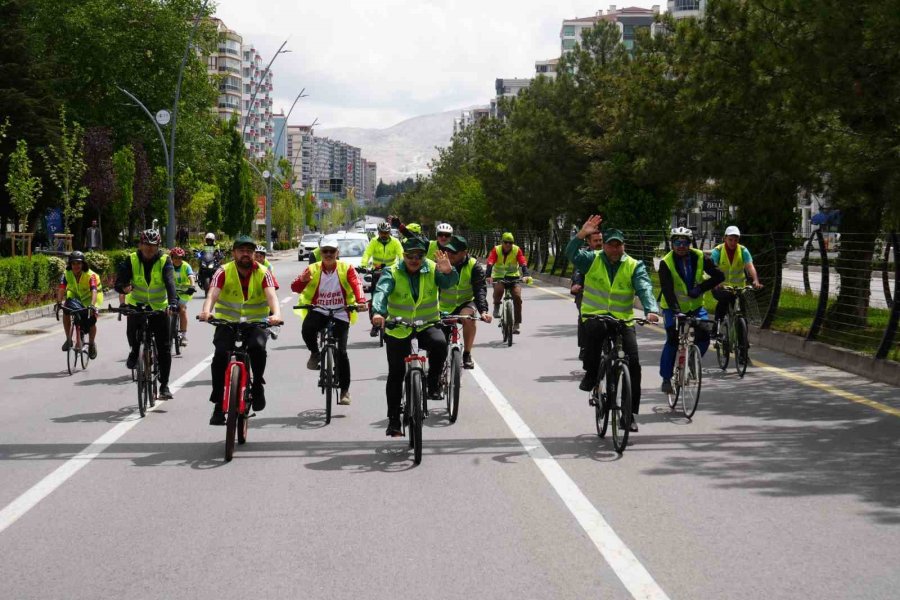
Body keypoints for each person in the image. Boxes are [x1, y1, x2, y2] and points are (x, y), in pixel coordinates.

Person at [567, 218, 659, 432]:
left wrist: (651, 310)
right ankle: (591, 374)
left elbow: (644, 288)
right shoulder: (592, 259)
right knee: (595, 336)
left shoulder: (634, 265)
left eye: (618, 245)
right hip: (595, 316)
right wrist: (581, 234)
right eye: (610, 244)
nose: (615, 249)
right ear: (604, 245)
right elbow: (571, 254)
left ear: (623, 245)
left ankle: (630, 413)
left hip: (622, 320)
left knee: (634, 364)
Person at [371, 237, 459, 437]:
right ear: (404, 256)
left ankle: (433, 382)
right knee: (396, 374)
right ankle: (394, 420)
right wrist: (377, 312)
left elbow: (449, 283)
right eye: (410, 255)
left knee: (439, 343)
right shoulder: (392, 271)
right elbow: (381, 291)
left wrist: (448, 271)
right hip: (399, 327)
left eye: (419, 256)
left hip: (426, 324)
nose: (414, 259)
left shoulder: (432, 267)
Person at [198, 235, 283, 425]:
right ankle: (219, 404)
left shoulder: (263, 272)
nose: (246, 254)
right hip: (227, 322)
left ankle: (258, 384)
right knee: (220, 355)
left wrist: (276, 314)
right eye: (242, 250)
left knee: (257, 348)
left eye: (250, 251)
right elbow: (212, 294)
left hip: (255, 322)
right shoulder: (223, 271)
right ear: (234, 253)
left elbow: (272, 296)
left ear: (254, 254)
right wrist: (206, 311)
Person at [291, 238, 367, 405]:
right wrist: (302, 281)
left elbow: (357, 284)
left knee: (342, 352)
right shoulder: (312, 268)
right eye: (325, 251)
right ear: (320, 252)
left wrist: (361, 301)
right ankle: (315, 353)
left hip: (341, 312)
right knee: (307, 329)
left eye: (331, 251)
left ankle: (345, 391)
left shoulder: (347, 268)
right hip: (319, 310)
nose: (328, 254)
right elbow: (295, 288)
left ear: (337, 253)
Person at [658, 227, 725, 394]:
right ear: (672, 244)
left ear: (690, 243)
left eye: (685, 242)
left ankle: (692, 362)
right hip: (672, 308)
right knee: (673, 340)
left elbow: (719, 276)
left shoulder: (700, 256)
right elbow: (667, 290)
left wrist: (701, 288)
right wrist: (676, 312)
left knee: (704, 337)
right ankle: (666, 378)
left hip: (695, 307)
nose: (681, 246)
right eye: (677, 242)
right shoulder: (666, 262)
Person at [115, 228, 179, 400]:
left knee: (164, 348)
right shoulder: (131, 259)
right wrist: (123, 287)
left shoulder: (165, 260)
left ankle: (164, 385)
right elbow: (119, 281)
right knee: (132, 332)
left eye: (153, 245)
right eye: (146, 245)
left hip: (159, 306)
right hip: (138, 304)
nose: (150, 249)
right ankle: (134, 351)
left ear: (158, 246)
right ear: (140, 245)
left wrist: (173, 303)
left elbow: (170, 282)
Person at [439, 235, 491, 369]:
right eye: (448, 250)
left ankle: (467, 354)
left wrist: (483, 311)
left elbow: (480, 289)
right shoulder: (440, 262)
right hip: (442, 305)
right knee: (437, 344)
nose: (449, 254)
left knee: (469, 318)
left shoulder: (474, 266)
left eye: (454, 252)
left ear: (464, 253)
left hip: (465, 303)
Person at [710, 225, 763, 327]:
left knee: (743, 312)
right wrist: (716, 282)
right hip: (721, 287)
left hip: (739, 287)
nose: (733, 243)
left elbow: (750, 266)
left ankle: (743, 338)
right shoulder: (718, 250)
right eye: (730, 240)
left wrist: (756, 280)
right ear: (725, 238)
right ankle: (716, 328)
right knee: (724, 301)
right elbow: (712, 268)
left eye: (736, 240)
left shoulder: (743, 250)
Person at [57, 251, 103, 359]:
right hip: (75, 298)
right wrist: (59, 302)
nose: (76, 266)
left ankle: (91, 344)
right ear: (70, 265)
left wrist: (92, 305)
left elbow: (94, 291)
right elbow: (62, 288)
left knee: (91, 322)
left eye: (79, 263)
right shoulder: (66, 274)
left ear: (83, 264)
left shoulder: (90, 275)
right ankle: (69, 339)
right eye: (73, 264)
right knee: (66, 309)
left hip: (91, 299)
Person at [361, 221, 404, 336]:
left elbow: (401, 255)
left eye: (386, 233)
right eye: (382, 233)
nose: (384, 235)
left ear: (389, 232)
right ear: (378, 233)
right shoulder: (374, 241)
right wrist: (364, 265)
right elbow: (367, 253)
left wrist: (402, 265)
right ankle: (375, 324)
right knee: (375, 296)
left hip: (391, 271)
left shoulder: (395, 242)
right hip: (377, 271)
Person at [485, 232, 530, 334]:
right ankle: (497, 305)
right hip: (499, 276)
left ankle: (517, 323)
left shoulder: (516, 249)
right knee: (499, 289)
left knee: (517, 296)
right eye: (506, 242)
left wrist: (526, 274)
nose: (508, 245)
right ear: (502, 242)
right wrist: (488, 275)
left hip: (513, 277)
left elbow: (522, 261)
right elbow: (490, 262)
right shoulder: (496, 249)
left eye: (510, 243)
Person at [570, 229, 604, 360]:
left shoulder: (607, 255)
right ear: (589, 242)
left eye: (600, 240)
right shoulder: (584, 256)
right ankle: (584, 346)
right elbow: (578, 271)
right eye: (595, 241)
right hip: (585, 292)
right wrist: (577, 284)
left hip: (604, 294)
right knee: (584, 317)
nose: (599, 243)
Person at [169, 247, 196, 345]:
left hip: (184, 293)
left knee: (182, 310)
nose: (178, 260)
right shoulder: (168, 266)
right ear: (172, 258)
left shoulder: (186, 266)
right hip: (171, 292)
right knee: (168, 310)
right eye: (175, 258)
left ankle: (183, 335)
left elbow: (191, 276)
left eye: (180, 258)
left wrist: (192, 286)